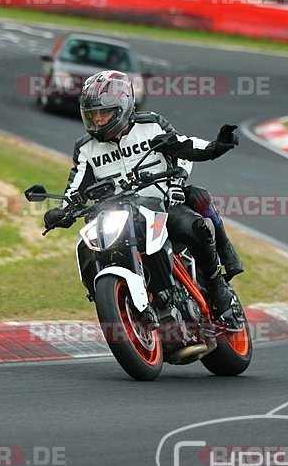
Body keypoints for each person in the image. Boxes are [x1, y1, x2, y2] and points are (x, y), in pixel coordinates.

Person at [44, 70, 243, 321]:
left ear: (123, 107)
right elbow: (75, 186)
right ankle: (118, 302)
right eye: (91, 114)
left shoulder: (150, 125)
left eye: (103, 112)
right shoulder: (85, 147)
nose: (97, 119)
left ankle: (217, 286)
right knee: (88, 247)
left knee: (193, 224)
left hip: (160, 205)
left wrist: (215, 147)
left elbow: (183, 144)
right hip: (118, 215)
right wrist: (62, 210)